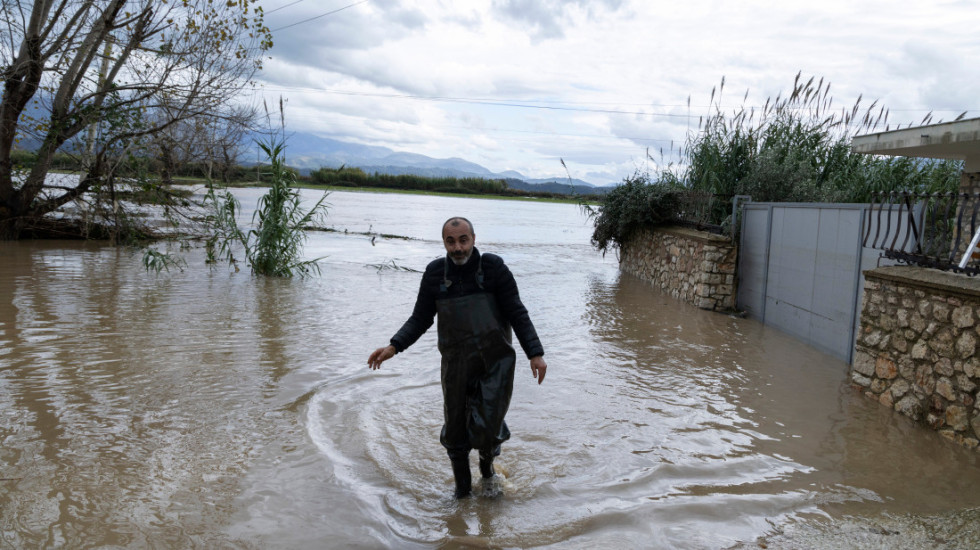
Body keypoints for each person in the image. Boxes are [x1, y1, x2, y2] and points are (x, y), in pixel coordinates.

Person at [368, 216, 547, 498]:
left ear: (473, 239)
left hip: (496, 363)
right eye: (450, 242)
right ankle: (462, 493)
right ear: (444, 243)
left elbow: (516, 310)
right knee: (455, 432)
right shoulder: (435, 274)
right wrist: (394, 346)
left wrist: (534, 353)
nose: (458, 248)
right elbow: (420, 318)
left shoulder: (493, 268)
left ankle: (488, 474)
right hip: (456, 364)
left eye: (463, 240)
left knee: (488, 427)